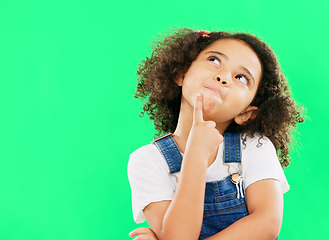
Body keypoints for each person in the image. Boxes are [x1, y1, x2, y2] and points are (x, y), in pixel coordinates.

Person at [127, 28, 304, 240]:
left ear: (246, 113)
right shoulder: (148, 161)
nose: (223, 77)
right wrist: (196, 156)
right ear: (181, 73)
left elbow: (267, 224)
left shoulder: (254, 146)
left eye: (241, 77)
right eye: (214, 60)